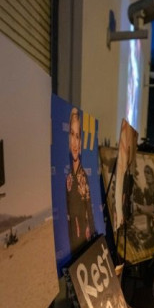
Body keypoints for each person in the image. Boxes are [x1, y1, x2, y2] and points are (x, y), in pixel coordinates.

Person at [66, 107, 95, 254]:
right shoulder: (68, 178)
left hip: (86, 237)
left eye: (78, 136)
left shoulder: (84, 176)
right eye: (72, 134)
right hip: (73, 238)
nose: (75, 142)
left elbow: (89, 209)